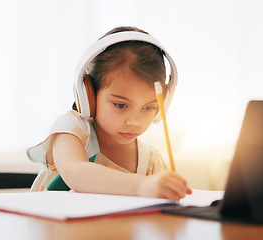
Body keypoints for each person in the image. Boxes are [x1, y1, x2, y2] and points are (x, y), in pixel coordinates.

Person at [27, 26, 191, 200]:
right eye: (121, 105)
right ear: (89, 94)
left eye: (149, 107)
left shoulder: (151, 160)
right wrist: (143, 185)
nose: (135, 122)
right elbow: (76, 172)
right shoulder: (72, 130)